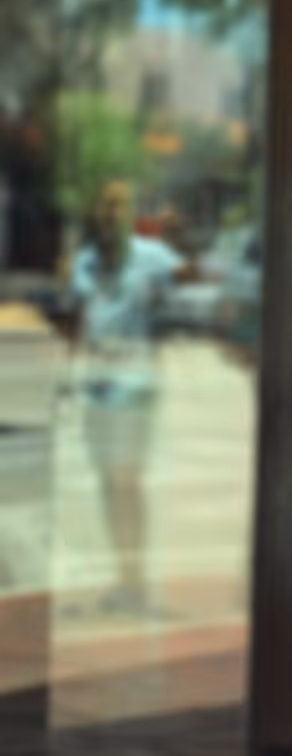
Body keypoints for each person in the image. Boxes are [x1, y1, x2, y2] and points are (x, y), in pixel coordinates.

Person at [69, 180, 185, 615]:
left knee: (125, 479)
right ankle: (124, 577)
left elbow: (188, 293)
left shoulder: (153, 258)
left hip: (135, 384)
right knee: (107, 483)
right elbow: (80, 321)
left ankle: (136, 581)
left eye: (119, 206)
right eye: (105, 206)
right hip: (97, 386)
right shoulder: (85, 263)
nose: (111, 214)